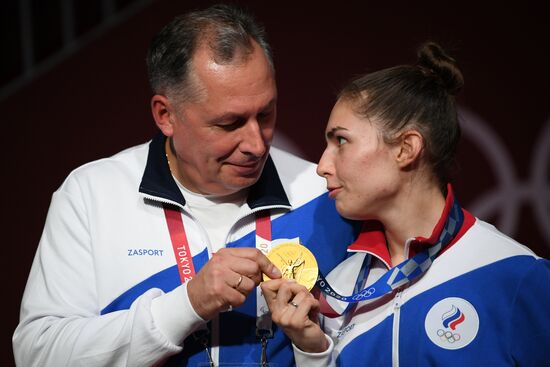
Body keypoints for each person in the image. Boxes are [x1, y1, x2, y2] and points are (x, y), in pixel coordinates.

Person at [12, 4, 360, 366]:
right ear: (166, 115)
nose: (257, 144)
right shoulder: (91, 194)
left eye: (266, 114)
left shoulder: (321, 193)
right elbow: (38, 354)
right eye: (230, 123)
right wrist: (186, 305)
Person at [261, 41, 550, 366]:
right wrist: (312, 351)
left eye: (341, 141)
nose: (322, 166)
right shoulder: (339, 289)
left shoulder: (514, 274)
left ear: (406, 149)